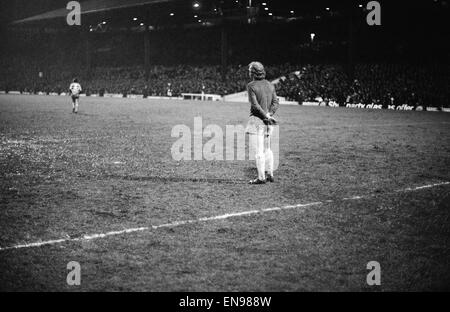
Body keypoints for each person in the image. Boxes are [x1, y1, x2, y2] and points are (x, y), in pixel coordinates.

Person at [245, 61, 279, 185]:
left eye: (250, 70)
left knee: (258, 151)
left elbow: (255, 106)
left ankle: (261, 178)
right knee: (268, 149)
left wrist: (265, 116)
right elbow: (276, 102)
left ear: (253, 72)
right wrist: (269, 115)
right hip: (268, 123)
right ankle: (270, 174)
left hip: (256, 121)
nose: (249, 72)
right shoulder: (270, 85)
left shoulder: (251, 86)